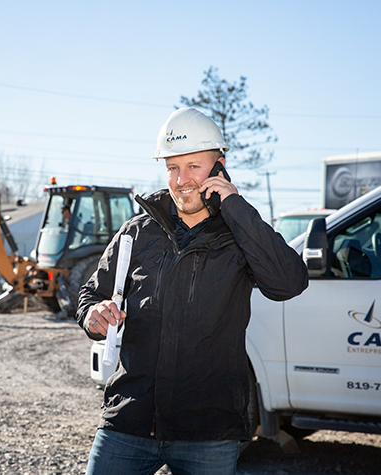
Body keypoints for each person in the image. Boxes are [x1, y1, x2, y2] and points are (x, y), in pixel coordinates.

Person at [76, 107, 309, 475]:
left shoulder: (240, 237)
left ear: (219, 165)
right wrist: (93, 315)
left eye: (194, 167)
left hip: (208, 432)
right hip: (129, 422)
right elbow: (90, 294)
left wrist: (235, 206)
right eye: (172, 168)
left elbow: (289, 283)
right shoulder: (138, 232)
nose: (181, 180)